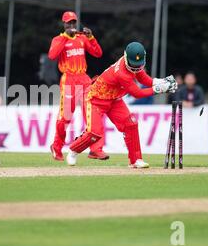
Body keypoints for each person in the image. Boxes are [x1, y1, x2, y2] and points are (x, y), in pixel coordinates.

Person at [66, 42, 177, 168]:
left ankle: (135, 160)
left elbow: (143, 79)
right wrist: (160, 89)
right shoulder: (121, 73)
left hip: (114, 99)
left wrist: (161, 81)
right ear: (125, 56)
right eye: (133, 66)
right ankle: (73, 151)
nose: (135, 69)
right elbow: (137, 93)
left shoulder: (133, 64)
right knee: (94, 133)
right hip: (95, 99)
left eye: (138, 66)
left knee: (131, 124)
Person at [48, 11, 108, 161]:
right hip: (68, 80)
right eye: (68, 23)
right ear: (64, 24)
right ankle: (56, 147)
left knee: (93, 114)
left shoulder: (82, 38)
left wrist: (91, 38)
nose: (72, 25)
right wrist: (66, 36)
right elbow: (52, 55)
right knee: (65, 118)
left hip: (84, 79)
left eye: (74, 22)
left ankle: (95, 149)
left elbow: (98, 53)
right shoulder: (58, 39)